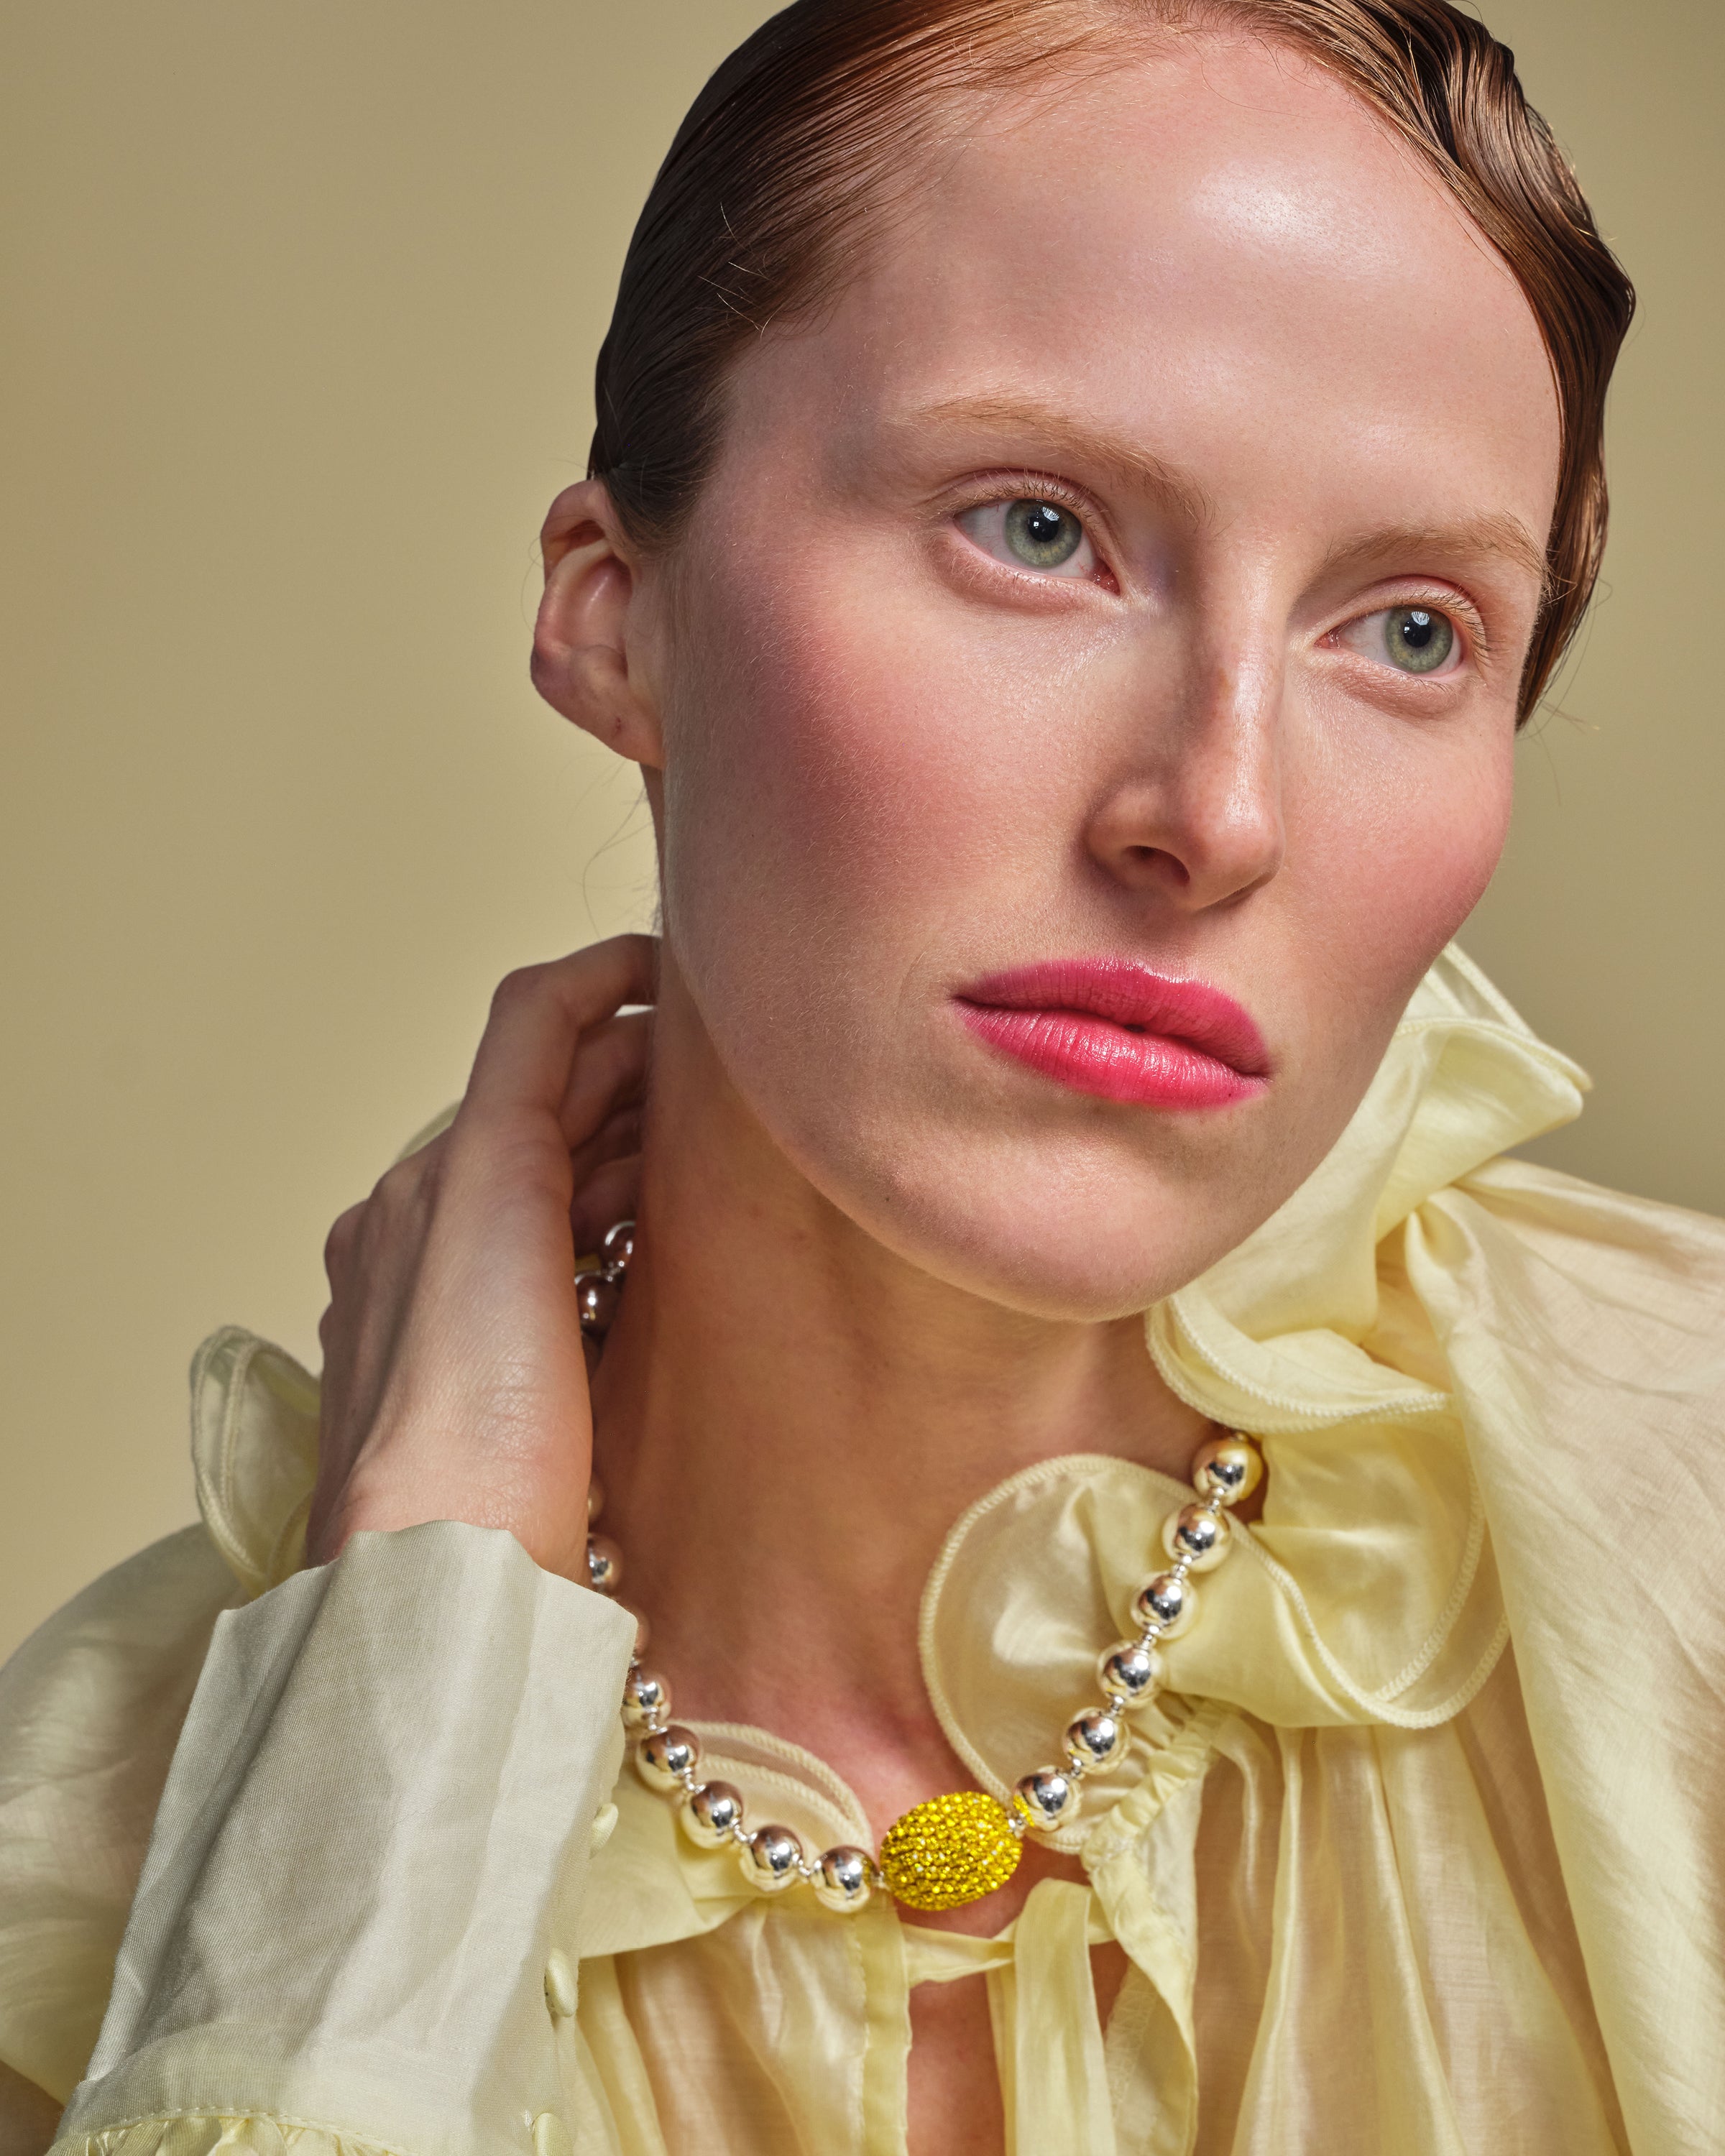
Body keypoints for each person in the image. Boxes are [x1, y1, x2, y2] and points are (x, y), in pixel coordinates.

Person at [2, 0, 1719, 2150]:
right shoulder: (89, 1859)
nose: (1219, 813)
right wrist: (410, 1677)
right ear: (616, 614)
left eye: (1410, 631)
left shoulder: (1682, 1528)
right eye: (1038, 529)